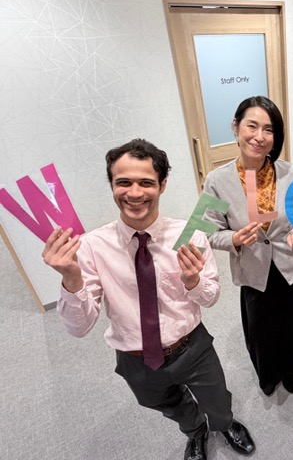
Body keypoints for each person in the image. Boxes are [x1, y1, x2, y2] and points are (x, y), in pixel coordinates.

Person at [42, 139, 255, 460]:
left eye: (146, 182)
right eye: (123, 182)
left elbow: (211, 297)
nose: (134, 193)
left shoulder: (190, 235)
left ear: (162, 184)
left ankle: (225, 424)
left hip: (192, 347)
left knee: (217, 400)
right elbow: (78, 328)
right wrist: (71, 279)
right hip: (135, 358)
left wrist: (193, 281)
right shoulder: (92, 247)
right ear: (112, 185)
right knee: (166, 404)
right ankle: (195, 431)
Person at [203, 96, 293, 397]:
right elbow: (205, 231)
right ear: (235, 127)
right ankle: (269, 375)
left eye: (268, 130)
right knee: (264, 330)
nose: (259, 136)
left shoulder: (289, 172)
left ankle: (292, 369)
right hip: (254, 270)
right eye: (251, 126)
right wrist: (233, 239)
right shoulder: (216, 181)